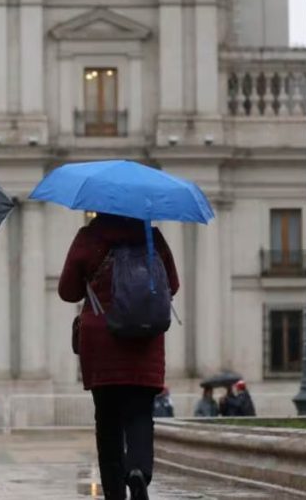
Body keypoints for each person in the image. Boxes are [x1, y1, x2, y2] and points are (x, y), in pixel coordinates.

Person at [59, 212, 180, 500]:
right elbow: (172, 285)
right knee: (140, 415)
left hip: (102, 345)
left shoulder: (89, 238)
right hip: (145, 343)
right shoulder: (153, 238)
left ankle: (115, 492)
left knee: (108, 422)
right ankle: (138, 471)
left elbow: (68, 291)